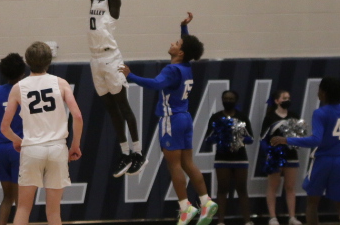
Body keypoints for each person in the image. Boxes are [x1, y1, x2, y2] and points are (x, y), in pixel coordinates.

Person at [120, 13, 218, 225]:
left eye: (176, 42)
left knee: (174, 166)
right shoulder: (186, 66)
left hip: (171, 119)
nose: (172, 43)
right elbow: (188, 47)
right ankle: (205, 201)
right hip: (185, 118)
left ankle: (185, 207)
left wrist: (131, 76)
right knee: (188, 163)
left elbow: (155, 84)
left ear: (180, 52)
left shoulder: (171, 69)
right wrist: (183, 29)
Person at [81, 0, 145, 177]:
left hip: (111, 58)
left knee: (123, 106)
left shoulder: (113, 4)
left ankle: (138, 152)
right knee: (110, 108)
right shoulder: (95, 1)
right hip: (95, 59)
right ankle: (125, 153)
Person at [0, 41, 83, 225]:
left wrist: (17, 140)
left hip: (32, 149)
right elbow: (77, 116)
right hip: (57, 149)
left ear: (27, 61)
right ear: (49, 60)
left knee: (23, 208)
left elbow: (4, 127)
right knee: (54, 213)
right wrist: (75, 144)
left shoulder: (18, 87)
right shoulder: (60, 83)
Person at [271, 77, 340, 225]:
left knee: (312, 203)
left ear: (323, 92)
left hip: (323, 161)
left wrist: (286, 140)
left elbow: (316, 140)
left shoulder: (320, 113)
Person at [0, 53, 27, 225]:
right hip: (19, 149)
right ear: (22, 72)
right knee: (20, 201)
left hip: (1, 149)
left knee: (7, 197)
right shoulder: (26, 93)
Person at [204, 90, 254, 225]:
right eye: (226, 98)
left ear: (236, 100)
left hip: (240, 158)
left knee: (242, 189)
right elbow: (207, 139)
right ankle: (220, 222)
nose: (228, 101)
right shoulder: (216, 118)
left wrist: (236, 138)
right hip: (222, 158)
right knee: (222, 189)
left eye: (231, 98)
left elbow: (251, 138)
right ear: (222, 100)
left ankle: (248, 221)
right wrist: (220, 135)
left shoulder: (242, 117)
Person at [261, 90, 302, 225]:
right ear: (277, 101)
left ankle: (292, 217)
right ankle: (272, 217)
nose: (287, 100)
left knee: (290, 186)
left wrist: (296, 141)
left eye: (288, 98)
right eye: (284, 98)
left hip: (291, 155)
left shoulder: (294, 116)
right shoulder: (270, 117)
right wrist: (270, 151)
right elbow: (263, 139)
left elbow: (299, 136)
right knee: (273, 186)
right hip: (275, 157)